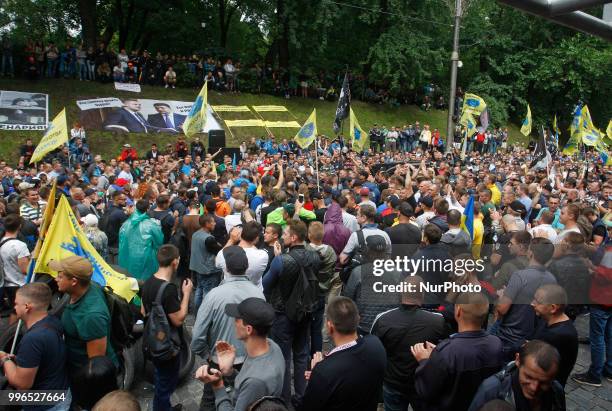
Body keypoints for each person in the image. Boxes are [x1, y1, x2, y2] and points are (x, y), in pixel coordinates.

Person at [192, 245, 266, 411]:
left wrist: (209, 356)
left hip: (219, 362)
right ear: (246, 267)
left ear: (225, 268)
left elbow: (197, 338)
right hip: (250, 363)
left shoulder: (213, 296)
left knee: (210, 403)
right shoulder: (259, 294)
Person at [412, 292, 503, 411]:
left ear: (458, 310)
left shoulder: (446, 351)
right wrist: (438, 357)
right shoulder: (496, 344)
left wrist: (425, 361)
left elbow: (425, 391)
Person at [263, 220, 321, 404]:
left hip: (283, 314)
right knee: (302, 353)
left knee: (283, 357)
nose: (283, 236)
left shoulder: (282, 260)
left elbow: (266, 283)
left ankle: (285, 399)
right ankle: (302, 396)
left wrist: (277, 258)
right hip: (305, 312)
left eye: (286, 234)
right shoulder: (315, 256)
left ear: (294, 237)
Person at [371, 276, 449, 411]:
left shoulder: (383, 319)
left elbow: (373, 351)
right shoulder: (438, 321)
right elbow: (445, 350)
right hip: (422, 383)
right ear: (423, 294)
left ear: (401, 292)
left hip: (392, 383)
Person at [194, 297, 285, 411]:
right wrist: (229, 372)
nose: (234, 321)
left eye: (237, 319)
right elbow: (246, 385)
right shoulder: (273, 347)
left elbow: (251, 385)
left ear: (248, 329)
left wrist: (218, 385)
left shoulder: (255, 382)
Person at [299, 297, 387, 411]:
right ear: (358, 319)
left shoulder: (324, 371)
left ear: (330, 327)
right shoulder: (376, 345)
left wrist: (317, 374)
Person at [52, 255, 117, 408]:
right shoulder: (85, 288)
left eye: (60, 276)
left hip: (87, 380)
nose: (56, 279)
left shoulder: (91, 316)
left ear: (74, 281)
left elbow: (95, 366)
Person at [0, 283, 71, 411]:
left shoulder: (33, 339)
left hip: (44, 404)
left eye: (16, 304)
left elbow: (22, 384)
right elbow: (45, 356)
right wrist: (21, 360)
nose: (14, 308)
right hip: (59, 394)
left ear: (27, 307)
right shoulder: (52, 321)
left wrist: (4, 358)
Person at [141, 244, 193, 411]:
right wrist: (186, 294)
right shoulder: (168, 290)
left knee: (161, 379)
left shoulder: (149, 281)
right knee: (166, 384)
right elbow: (178, 320)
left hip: (153, 341)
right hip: (167, 345)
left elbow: (143, 311)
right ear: (175, 262)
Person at [495, 238, 557, 361]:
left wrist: (501, 296)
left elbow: (502, 309)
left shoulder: (520, 276)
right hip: (532, 337)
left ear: (531, 253)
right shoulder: (552, 279)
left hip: (509, 335)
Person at [468, 340, 565, 411]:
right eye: (529, 377)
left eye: (544, 382)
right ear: (518, 360)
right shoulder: (492, 390)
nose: (534, 388)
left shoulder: (556, 391)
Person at [531, 284, 578, 386]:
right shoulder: (548, 320)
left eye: (537, 302)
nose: (532, 304)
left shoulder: (556, 336)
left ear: (552, 308)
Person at [118, 199, 164, 281]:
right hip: (146, 260)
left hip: (127, 258)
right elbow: (159, 242)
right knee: (144, 283)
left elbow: (121, 242)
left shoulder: (125, 224)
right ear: (147, 209)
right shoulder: (151, 225)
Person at [0, 214, 31, 323]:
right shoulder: (19, 246)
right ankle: (11, 336)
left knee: (15, 310)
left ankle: (11, 335)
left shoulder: (2, 241)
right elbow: (25, 269)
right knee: (18, 311)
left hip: (7, 283)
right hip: (19, 284)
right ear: (19, 226)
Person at [190, 214, 223, 310]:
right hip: (209, 270)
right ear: (207, 224)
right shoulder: (209, 239)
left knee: (199, 291)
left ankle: (197, 314)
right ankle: (205, 315)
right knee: (208, 294)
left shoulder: (195, 234)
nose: (215, 223)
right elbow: (219, 251)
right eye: (213, 221)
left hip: (198, 268)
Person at [99, 190, 128, 263]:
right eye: (123, 199)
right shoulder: (120, 213)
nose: (126, 201)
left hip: (107, 244)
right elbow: (127, 230)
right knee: (119, 269)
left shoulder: (107, 210)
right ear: (116, 200)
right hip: (117, 246)